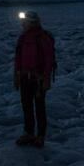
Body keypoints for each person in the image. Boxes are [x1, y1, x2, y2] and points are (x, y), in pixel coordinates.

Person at [14, 10, 54, 148]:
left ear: (32, 23)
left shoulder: (42, 38)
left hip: (39, 79)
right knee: (27, 106)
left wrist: (47, 78)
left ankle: (40, 136)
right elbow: (18, 58)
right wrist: (17, 75)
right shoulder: (23, 38)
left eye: (25, 22)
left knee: (39, 107)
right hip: (25, 77)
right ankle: (29, 133)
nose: (23, 24)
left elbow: (49, 59)